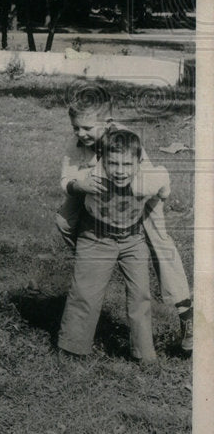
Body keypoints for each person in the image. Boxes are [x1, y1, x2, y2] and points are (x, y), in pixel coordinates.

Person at [56, 85, 193, 353]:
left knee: (159, 240)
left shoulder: (125, 141)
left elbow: (146, 180)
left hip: (136, 193)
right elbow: (66, 179)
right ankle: (98, 260)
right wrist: (79, 185)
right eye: (76, 128)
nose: (80, 134)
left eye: (87, 128)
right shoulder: (76, 142)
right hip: (91, 188)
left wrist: (139, 190)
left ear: (106, 123)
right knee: (63, 220)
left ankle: (186, 314)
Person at [57, 130, 166, 363]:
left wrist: (164, 190)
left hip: (132, 240)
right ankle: (73, 347)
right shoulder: (93, 177)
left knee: (141, 295)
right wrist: (80, 185)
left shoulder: (146, 178)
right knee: (85, 292)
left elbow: (163, 178)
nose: (119, 170)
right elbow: (69, 183)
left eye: (127, 164)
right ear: (102, 160)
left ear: (138, 163)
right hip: (96, 237)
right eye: (113, 163)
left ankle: (144, 352)